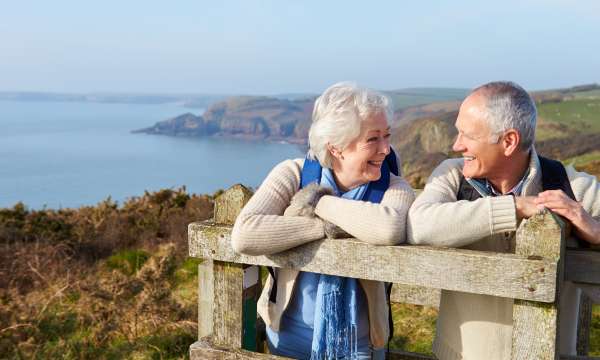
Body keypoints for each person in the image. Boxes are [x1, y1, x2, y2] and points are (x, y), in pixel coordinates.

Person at [408, 81, 600, 360]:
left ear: (508, 141)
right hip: (461, 355)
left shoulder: (570, 185)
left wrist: (594, 229)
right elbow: (419, 225)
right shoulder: (452, 175)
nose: (456, 144)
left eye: (467, 135)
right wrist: (513, 207)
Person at [231, 82, 415, 359]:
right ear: (337, 147)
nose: (386, 149)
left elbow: (387, 228)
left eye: (387, 136)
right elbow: (245, 235)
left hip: (360, 346)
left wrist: (318, 202)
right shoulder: (293, 174)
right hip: (287, 339)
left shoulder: (394, 187)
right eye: (373, 139)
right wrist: (322, 226)